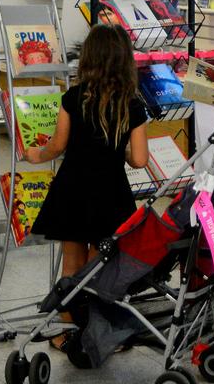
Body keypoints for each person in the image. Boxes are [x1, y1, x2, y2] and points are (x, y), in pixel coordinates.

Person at [26, 23, 149, 351]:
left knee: (71, 265)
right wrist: (116, 148)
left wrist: (35, 154)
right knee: (100, 267)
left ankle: (65, 329)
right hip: (111, 195)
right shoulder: (132, 105)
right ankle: (101, 333)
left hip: (72, 191)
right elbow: (139, 159)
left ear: (88, 58)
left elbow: (57, 146)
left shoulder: (73, 97)